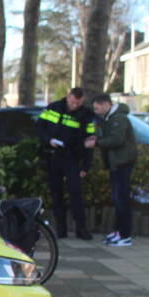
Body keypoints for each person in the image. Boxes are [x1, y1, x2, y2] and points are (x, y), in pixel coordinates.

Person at [36, 87, 95, 240]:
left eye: (78, 103)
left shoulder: (85, 115)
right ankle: (61, 229)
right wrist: (49, 140)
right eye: (74, 102)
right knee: (56, 194)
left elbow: (90, 142)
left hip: (72, 159)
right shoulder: (53, 108)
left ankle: (81, 229)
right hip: (53, 156)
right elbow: (39, 127)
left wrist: (85, 166)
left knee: (75, 194)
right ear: (68, 97)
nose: (75, 106)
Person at [90, 93, 137, 247]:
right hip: (115, 163)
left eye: (97, 108)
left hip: (122, 163)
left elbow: (117, 139)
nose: (96, 111)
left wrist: (97, 143)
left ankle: (125, 235)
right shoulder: (110, 118)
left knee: (122, 199)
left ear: (106, 104)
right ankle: (118, 231)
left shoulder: (119, 119)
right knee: (117, 199)